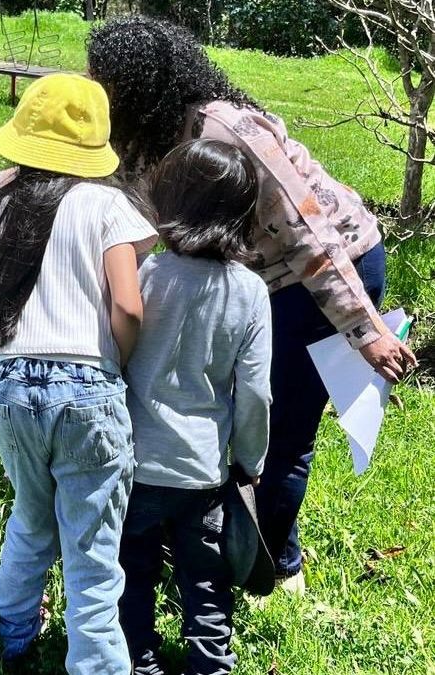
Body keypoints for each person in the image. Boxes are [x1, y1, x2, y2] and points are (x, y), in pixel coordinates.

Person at [0, 14, 416, 591]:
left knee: (279, 427)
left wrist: (364, 330)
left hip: (324, 273)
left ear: (139, 83)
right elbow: (39, 175)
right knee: (222, 411)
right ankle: (206, 532)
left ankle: (270, 568)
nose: (93, 86)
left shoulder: (228, 131)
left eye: (104, 77)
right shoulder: (132, 144)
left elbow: (308, 235)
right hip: (242, 278)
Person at [0, 73, 157, 673]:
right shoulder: (105, 205)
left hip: (8, 389)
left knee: (31, 516)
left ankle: (10, 640)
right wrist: (116, 361)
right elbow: (128, 305)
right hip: (87, 390)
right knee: (93, 556)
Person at [119, 138, 271, 675]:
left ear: (169, 200)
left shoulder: (145, 273)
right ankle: (211, 664)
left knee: (133, 573)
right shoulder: (249, 292)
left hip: (135, 462)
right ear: (243, 213)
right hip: (203, 469)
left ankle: (139, 661)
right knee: (207, 580)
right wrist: (249, 461)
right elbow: (254, 393)